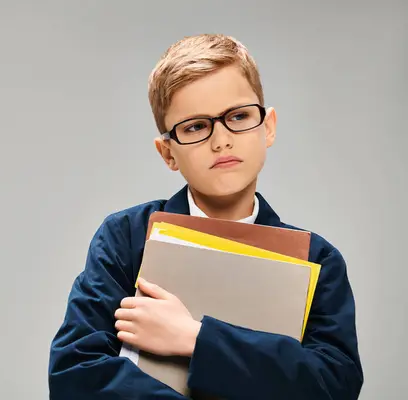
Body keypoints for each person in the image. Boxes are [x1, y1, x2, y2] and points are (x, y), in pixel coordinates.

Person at [47, 33, 363, 399]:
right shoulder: (126, 237)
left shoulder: (317, 258)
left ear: (268, 126)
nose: (221, 140)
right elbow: (76, 373)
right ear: (168, 153)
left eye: (239, 116)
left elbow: (333, 387)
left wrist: (196, 338)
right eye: (195, 126)